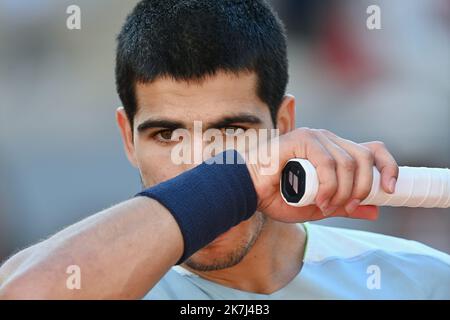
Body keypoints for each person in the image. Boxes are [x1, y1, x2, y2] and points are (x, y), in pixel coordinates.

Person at [0, 0, 448, 300]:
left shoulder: (418, 280)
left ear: (284, 125)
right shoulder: (99, 283)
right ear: (126, 138)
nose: (198, 164)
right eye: (167, 135)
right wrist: (238, 179)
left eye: (232, 131)